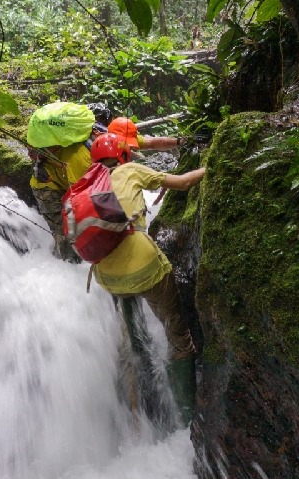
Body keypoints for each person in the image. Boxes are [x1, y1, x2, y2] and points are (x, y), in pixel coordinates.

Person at [89, 133, 206, 424]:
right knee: (178, 336)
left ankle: (142, 389)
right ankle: (187, 420)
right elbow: (183, 183)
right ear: (123, 156)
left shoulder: (87, 184)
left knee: (132, 322)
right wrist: (211, 166)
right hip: (144, 268)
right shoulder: (130, 170)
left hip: (106, 277)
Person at [28, 103, 112, 261]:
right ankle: (67, 266)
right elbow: (80, 197)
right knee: (65, 234)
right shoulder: (82, 158)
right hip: (47, 187)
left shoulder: (90, 138)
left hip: (62, 179)